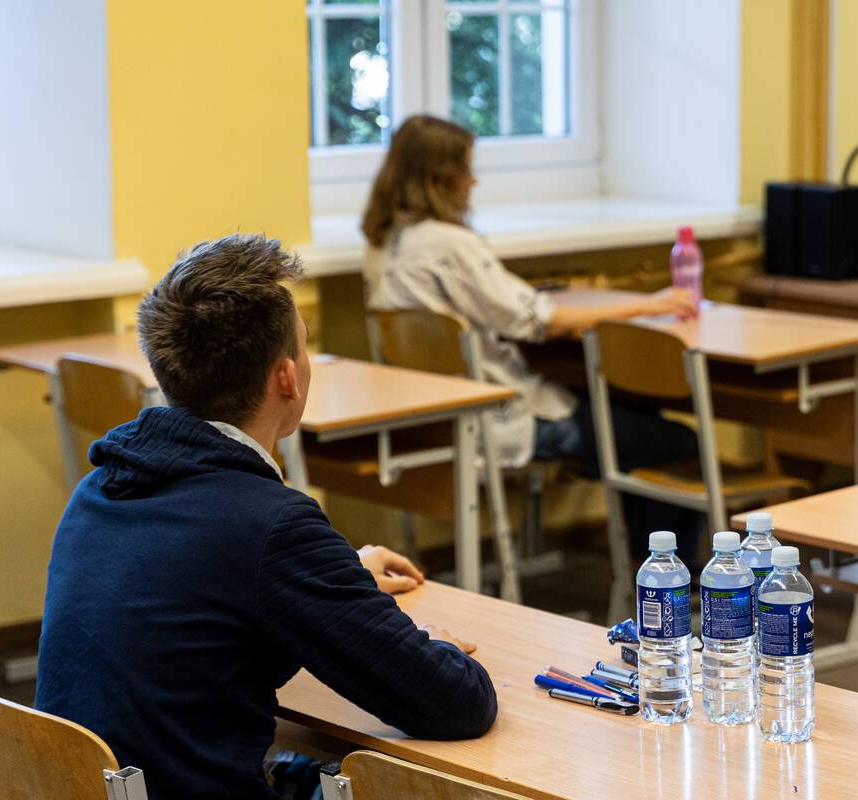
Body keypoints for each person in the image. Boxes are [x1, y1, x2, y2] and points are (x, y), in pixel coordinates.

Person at [35, 235, 497, 800]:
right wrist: (429, 645)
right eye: (304, 348)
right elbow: (456, 704)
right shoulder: (269, 526)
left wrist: (341, 580)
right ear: (286, 377)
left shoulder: (98, 489)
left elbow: (208, 625)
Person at [362, 114, 705, 559]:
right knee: (677, 442)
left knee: (635, 417)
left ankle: (646, 569)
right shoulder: (448, 243)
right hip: (499, 420)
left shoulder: (383, 243)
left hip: (432, 418)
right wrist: (649, 304)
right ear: (441, 178)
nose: (474, 181)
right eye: (467, 169)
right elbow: (540, 319)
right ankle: (666, 576)